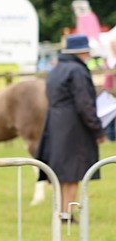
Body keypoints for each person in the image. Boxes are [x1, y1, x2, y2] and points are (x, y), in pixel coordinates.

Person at [37, 34, 104, 222]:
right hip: (73, 126)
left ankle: (62, 211)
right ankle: (67, 213)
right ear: (82, 52)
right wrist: (97, 128)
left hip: (55, 124)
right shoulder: (77, 71)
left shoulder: (56, 70)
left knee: (61, 173)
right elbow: (84, 104)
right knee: (73, 172)